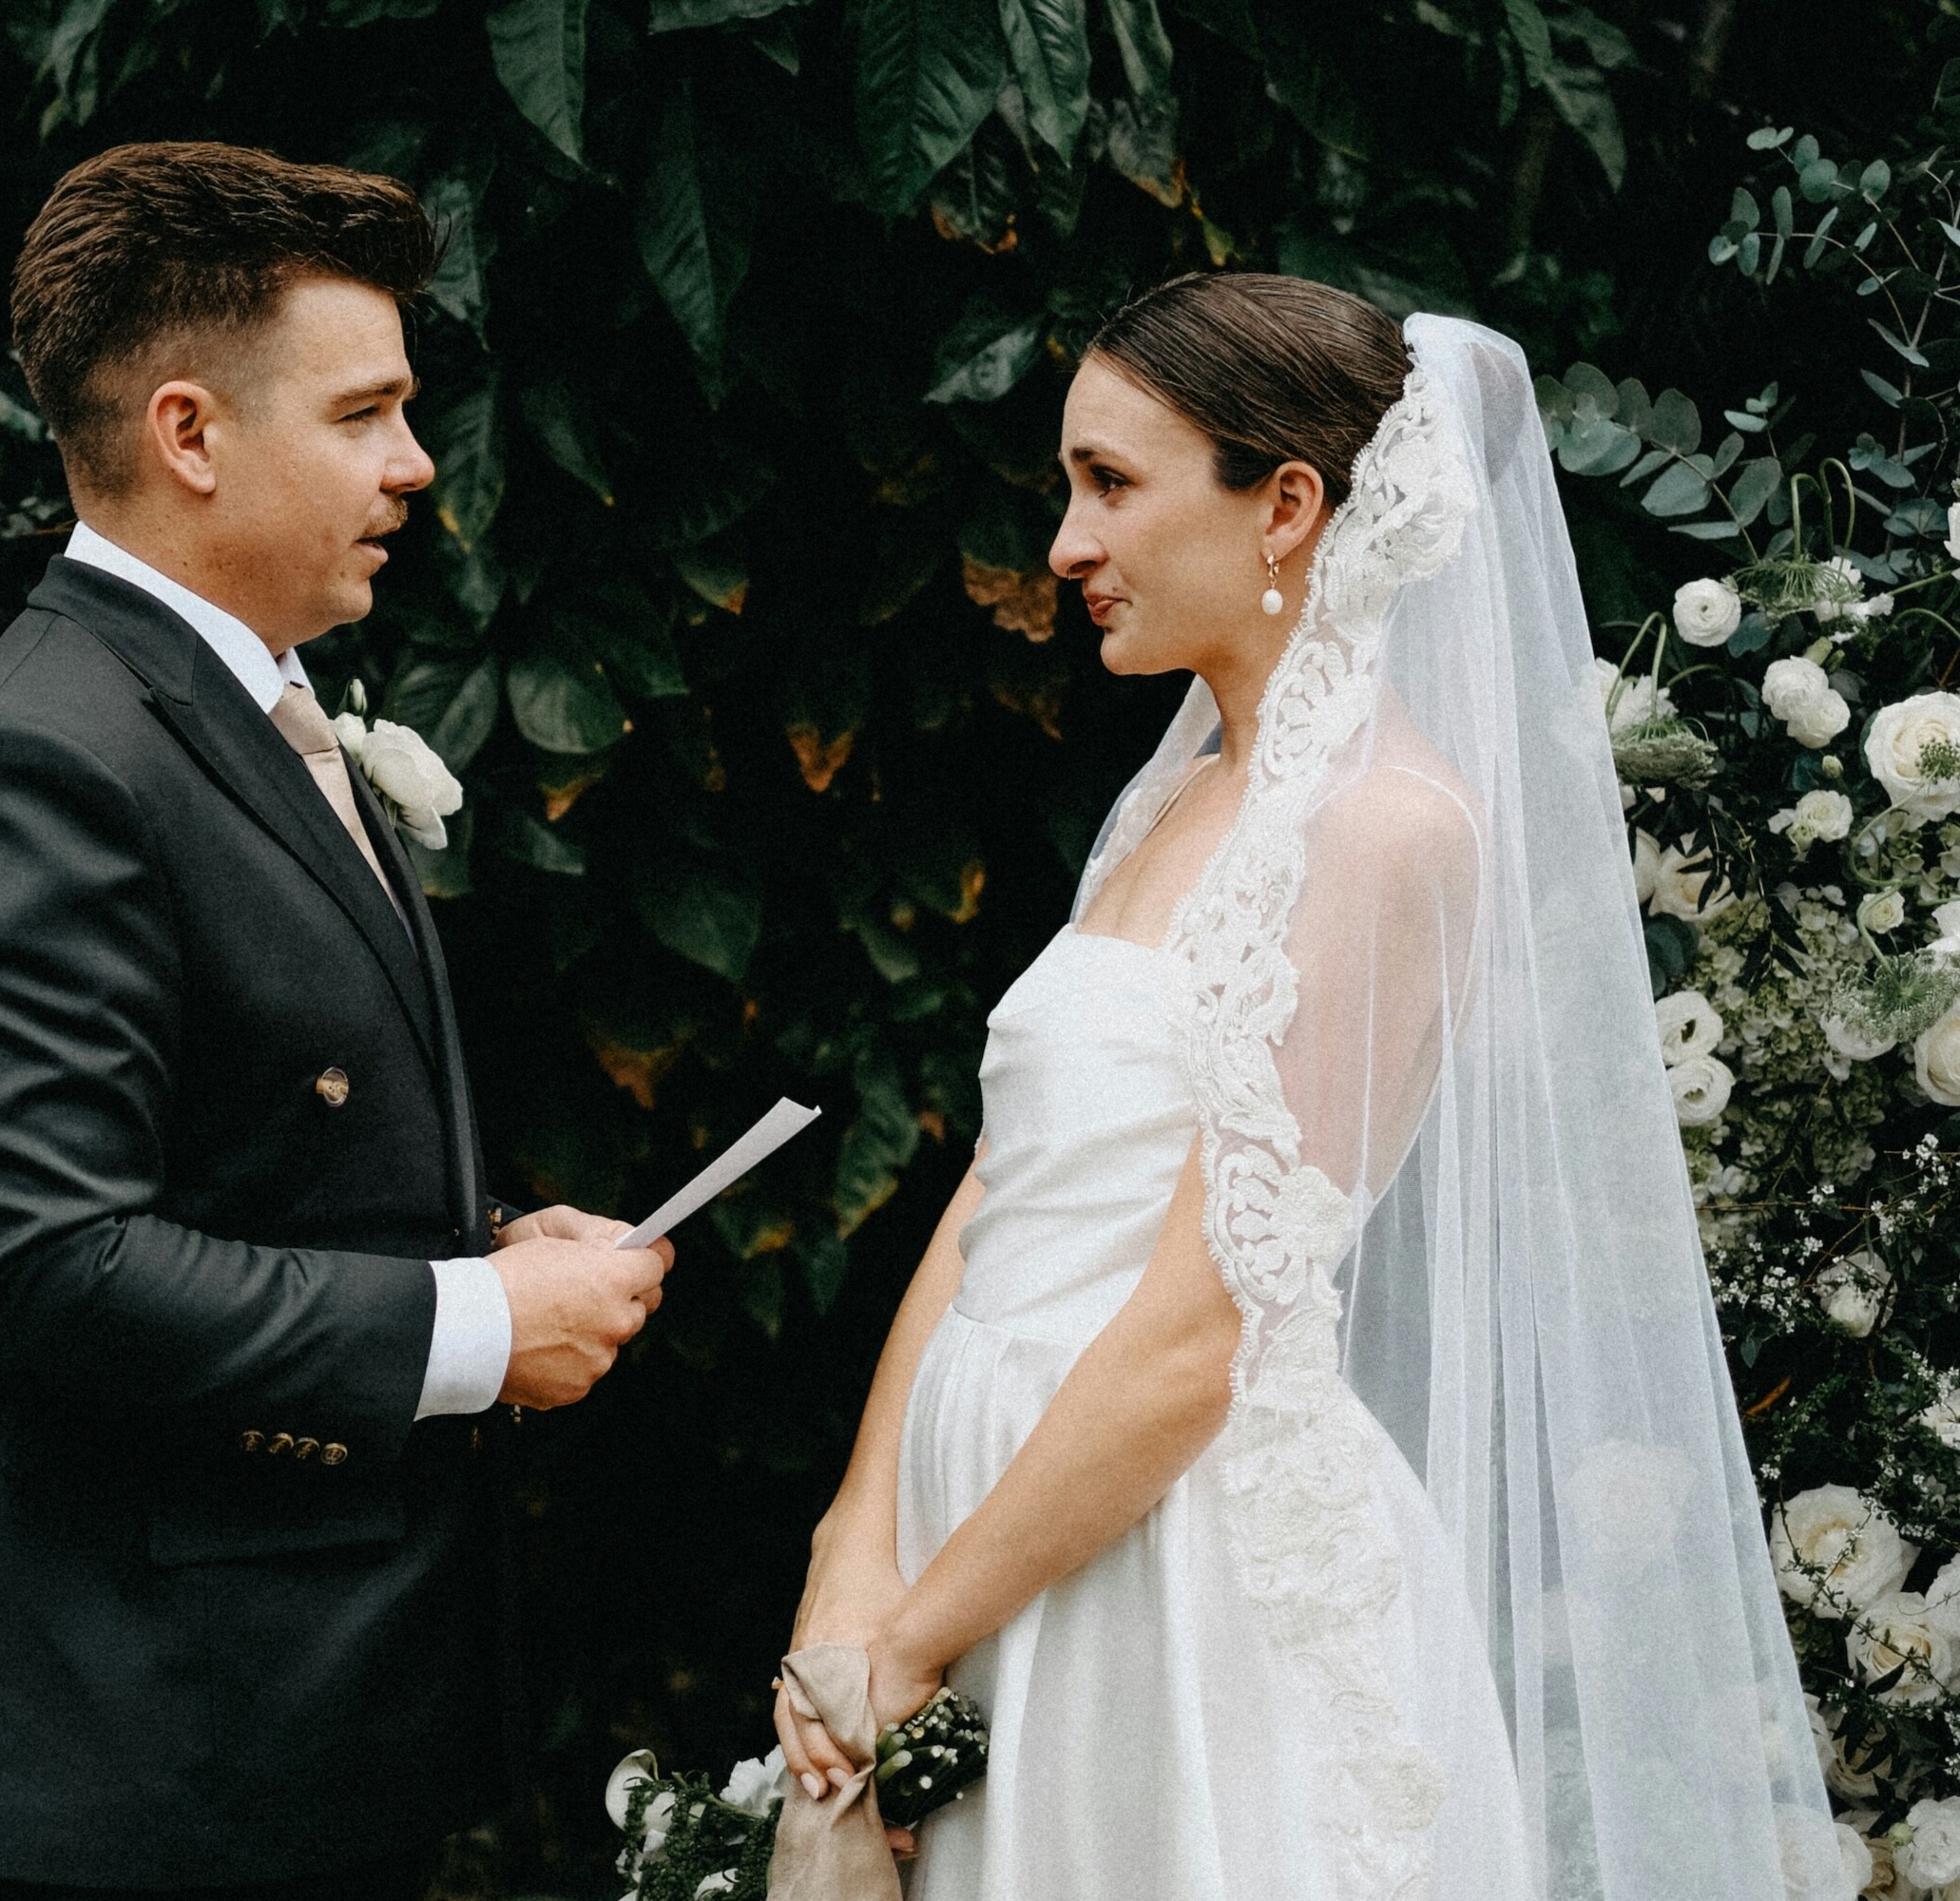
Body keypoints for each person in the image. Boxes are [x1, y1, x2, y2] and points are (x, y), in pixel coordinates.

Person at [774, 277, 1837, 1899]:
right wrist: (857, 1542)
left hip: (1171, 1572)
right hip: (986, 1531)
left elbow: (1212, 1324)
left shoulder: (1385, 831)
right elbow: (1002, 1183)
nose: (1063, 546)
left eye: (1110, 485)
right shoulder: (1176, 803)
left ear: (1285, 506)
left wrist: (915, 1638)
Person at [0, 142, 672, 1901]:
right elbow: (34, 1274)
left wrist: (489, 1247)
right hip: (147, 1769)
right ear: (190, 433)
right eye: (367, 412)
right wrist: (467, 1327)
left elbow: (258, 1145)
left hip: (297, 1724)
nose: (416, 462)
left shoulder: (246, 707)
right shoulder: (38, 760)